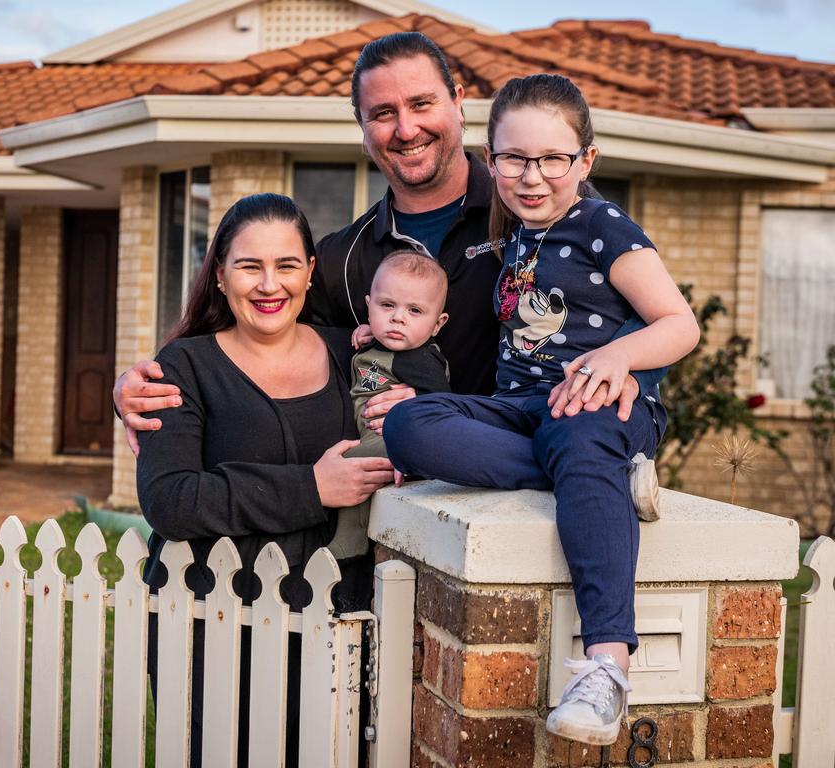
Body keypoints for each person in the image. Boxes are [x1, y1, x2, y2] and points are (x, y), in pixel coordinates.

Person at [113, 31, 664, 449]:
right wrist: (145, 383)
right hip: (387, 506)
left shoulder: (538, 206)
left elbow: (647, 313)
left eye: (422, 104)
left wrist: (632, 374)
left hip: (535, 467)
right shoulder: (339, 259)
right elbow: (256, 338)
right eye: (383, 113)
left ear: (457, 100)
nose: (405, 129)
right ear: (361, 126)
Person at [382, 74, 701, 746]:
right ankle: (602, 478)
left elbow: (678, 323)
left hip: (600, 407)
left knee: (578, 434)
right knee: (410, 425)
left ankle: (607, 669)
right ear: (489, 158)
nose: (532, 176)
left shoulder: (602, 225)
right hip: (523, 408)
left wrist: (616, 359)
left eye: (552, 158)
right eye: (512, 159)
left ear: (585, 161)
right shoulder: (520, 231)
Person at [138, 193, 393, 766]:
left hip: (336, 617)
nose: (268, 284)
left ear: (309, 274)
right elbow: (169, 498)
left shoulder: (355, 356)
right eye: (249, 266)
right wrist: (312, 489)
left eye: (285, 265)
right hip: (214, 616)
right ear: (221, 275)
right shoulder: (185, 364)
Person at [328, 249, 451, 559]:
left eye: (415, 311)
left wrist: (407, 448)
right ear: (368, 307)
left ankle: (348, 543)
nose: (398, 317)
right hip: (373, 433)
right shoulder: (382, 343)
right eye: (387, 306)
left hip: (391, 441)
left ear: (437, 324)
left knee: (354, 463)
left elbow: (444, 403)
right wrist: (368, 332)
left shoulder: (418, 358)